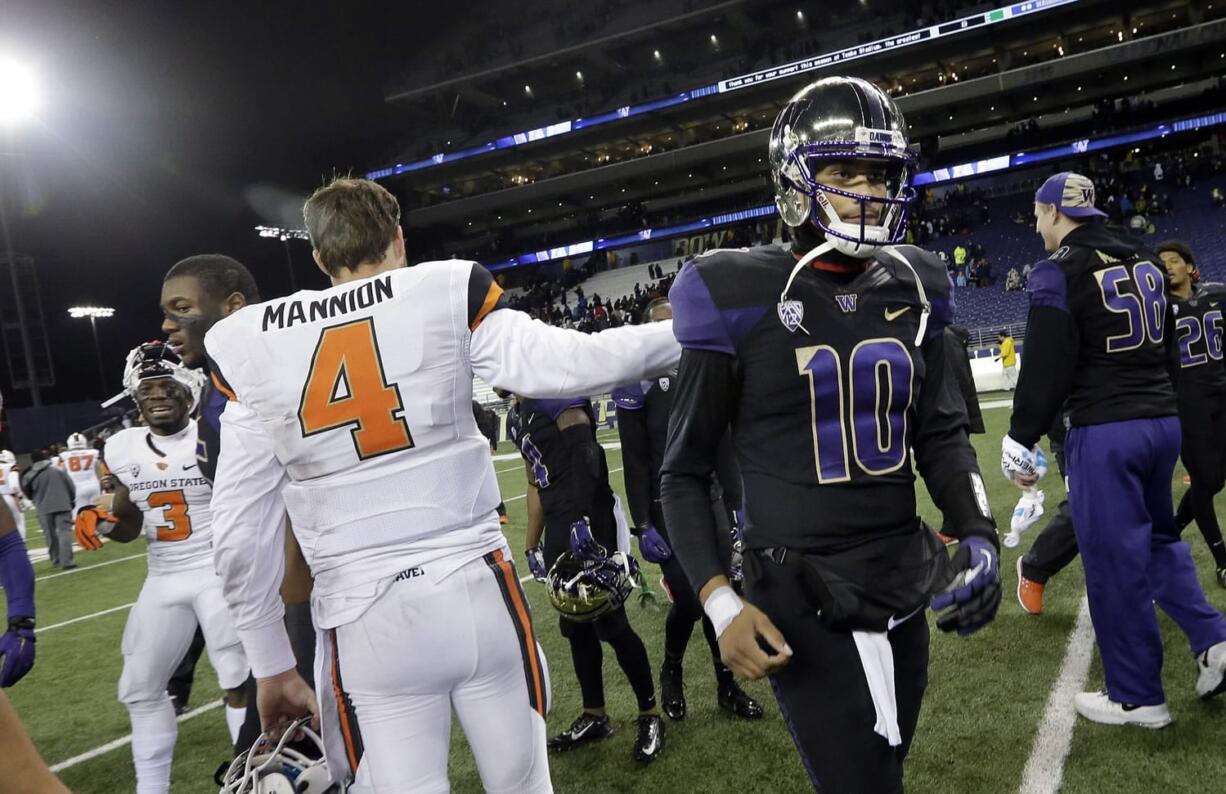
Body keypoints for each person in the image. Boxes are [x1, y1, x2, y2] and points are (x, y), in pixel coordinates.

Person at [204, 177, 680, 792]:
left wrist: (270, 663)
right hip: (474, 589)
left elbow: (240, 536)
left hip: (363, 620)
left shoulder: (253, 340)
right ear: (399, 237)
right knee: (523, 783)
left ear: (320, 259)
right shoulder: (443, 289)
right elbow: (573, 361)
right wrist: (697, 330)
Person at [660, 76, 1000, 793]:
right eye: (844, 173)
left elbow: (940, 435)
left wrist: (978, 532)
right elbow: (683, 472)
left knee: (886, 764)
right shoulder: (736, 291)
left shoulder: (918, 284)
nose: (869, 192)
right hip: (798, 586)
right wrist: (721, 602)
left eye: (879, 174)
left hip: (901, 571)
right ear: (794, 183)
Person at [1002, 171, 1226, 728]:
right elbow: (1173, 350)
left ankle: (1137, 695)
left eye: (1037, 214)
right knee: (1159, 542)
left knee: (1112, 563)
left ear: (1055, 212)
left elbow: (1047, 363)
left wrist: (1022, 433)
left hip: (1106, 430)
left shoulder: (1059, 269)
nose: (1036, 226)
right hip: (1160, 421)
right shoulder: (1147, 258)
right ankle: (1216, 641)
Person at [75, 342, 250, 794]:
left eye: (167, 385)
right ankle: (150, 788)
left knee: (236, 676)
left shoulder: (216, 433)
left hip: (219, 569)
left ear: (189, 389)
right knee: (139, 686)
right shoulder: (120, 446)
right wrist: (102, 520)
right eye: (147, 387)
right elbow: (130, 524)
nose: (158, 395)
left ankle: (252, 780)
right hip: (164, 574)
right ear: (134, 395)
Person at [159, 254, 298, 757]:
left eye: (181, 308)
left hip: (301, 598)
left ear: (233, 306)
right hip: (275, 598)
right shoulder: (218, 390)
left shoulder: (253, 389)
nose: (168, 324)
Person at [612, 297, 762, 723]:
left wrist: (737, 507)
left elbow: (723, 443)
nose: (670, 330)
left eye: (675, 323)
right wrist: (642, 522)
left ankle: (726, 686)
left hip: (709, 494)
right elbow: (635, 456)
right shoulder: (636, 377)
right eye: (661, 324)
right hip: (665, 502)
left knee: (724, 590)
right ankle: (672, 670)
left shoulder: (703, 366)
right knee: (690, 599)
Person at [511, 393, 665, 762]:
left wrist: (581, 518)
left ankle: (650, 714)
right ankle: (595, 714)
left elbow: (587, 450)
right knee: (574, 624)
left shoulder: (549, 387)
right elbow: (536, 483)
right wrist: (532, 543)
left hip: (589, 516)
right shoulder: (518, 414)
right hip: (560, 522)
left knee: (611, 622)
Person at [1159, 239, 1226, 587]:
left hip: (1222, 394)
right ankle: (1222, 559)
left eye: (1174, 260)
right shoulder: (1157, 309)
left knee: (1218, 477)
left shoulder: (1217, 294)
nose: (1168, 266)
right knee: (1207, 480)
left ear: (1188, 265)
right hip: (1187, 403)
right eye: (1163, 262)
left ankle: (1170, 529)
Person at [19, 450, 75, 569]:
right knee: (64, 532)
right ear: (45, 457)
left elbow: (28, 493)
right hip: (62, 504)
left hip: (43, 508)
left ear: (32, 461)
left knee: (50, 535)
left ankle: (56, 560)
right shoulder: (58, 470)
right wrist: (71, 500)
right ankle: (67, 561)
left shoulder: (29, 475)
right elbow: (71, 486)